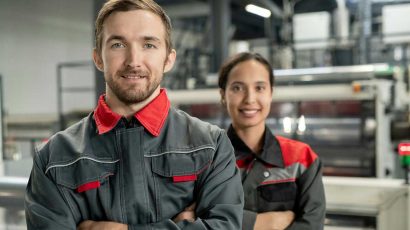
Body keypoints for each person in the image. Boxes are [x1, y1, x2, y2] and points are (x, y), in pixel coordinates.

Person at [24, 0, 244, 229]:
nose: (133, 61)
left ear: (169, 59)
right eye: (118, 44)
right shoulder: (54, 159)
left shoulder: (211, 146)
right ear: (98, 57)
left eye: (148, 45)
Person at [218, 52, 326, 230]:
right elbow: (191, 220)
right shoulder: (206, 158)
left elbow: (311, 225)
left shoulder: (302, 158)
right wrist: (264, 223)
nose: (250, 99)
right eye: (237, 88)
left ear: (271, 93)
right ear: (223, 95)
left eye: (259, 88)